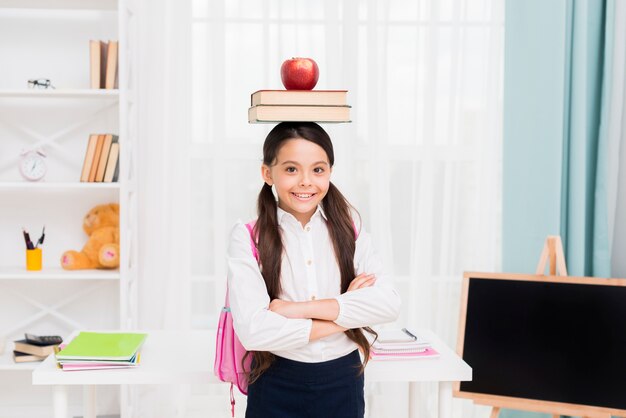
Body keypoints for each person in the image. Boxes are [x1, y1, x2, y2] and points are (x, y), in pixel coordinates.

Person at [227, 122, 401, 418]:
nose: (306, 181)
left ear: (330, 173)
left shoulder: (350, 230)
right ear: (267, 173)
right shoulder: (247, 236)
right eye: (291, 169)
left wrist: (294, 309)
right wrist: (345, 319)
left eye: (318, 170)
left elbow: (388, 304)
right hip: (274, 379)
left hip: (342, 381)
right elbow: (254, 332)